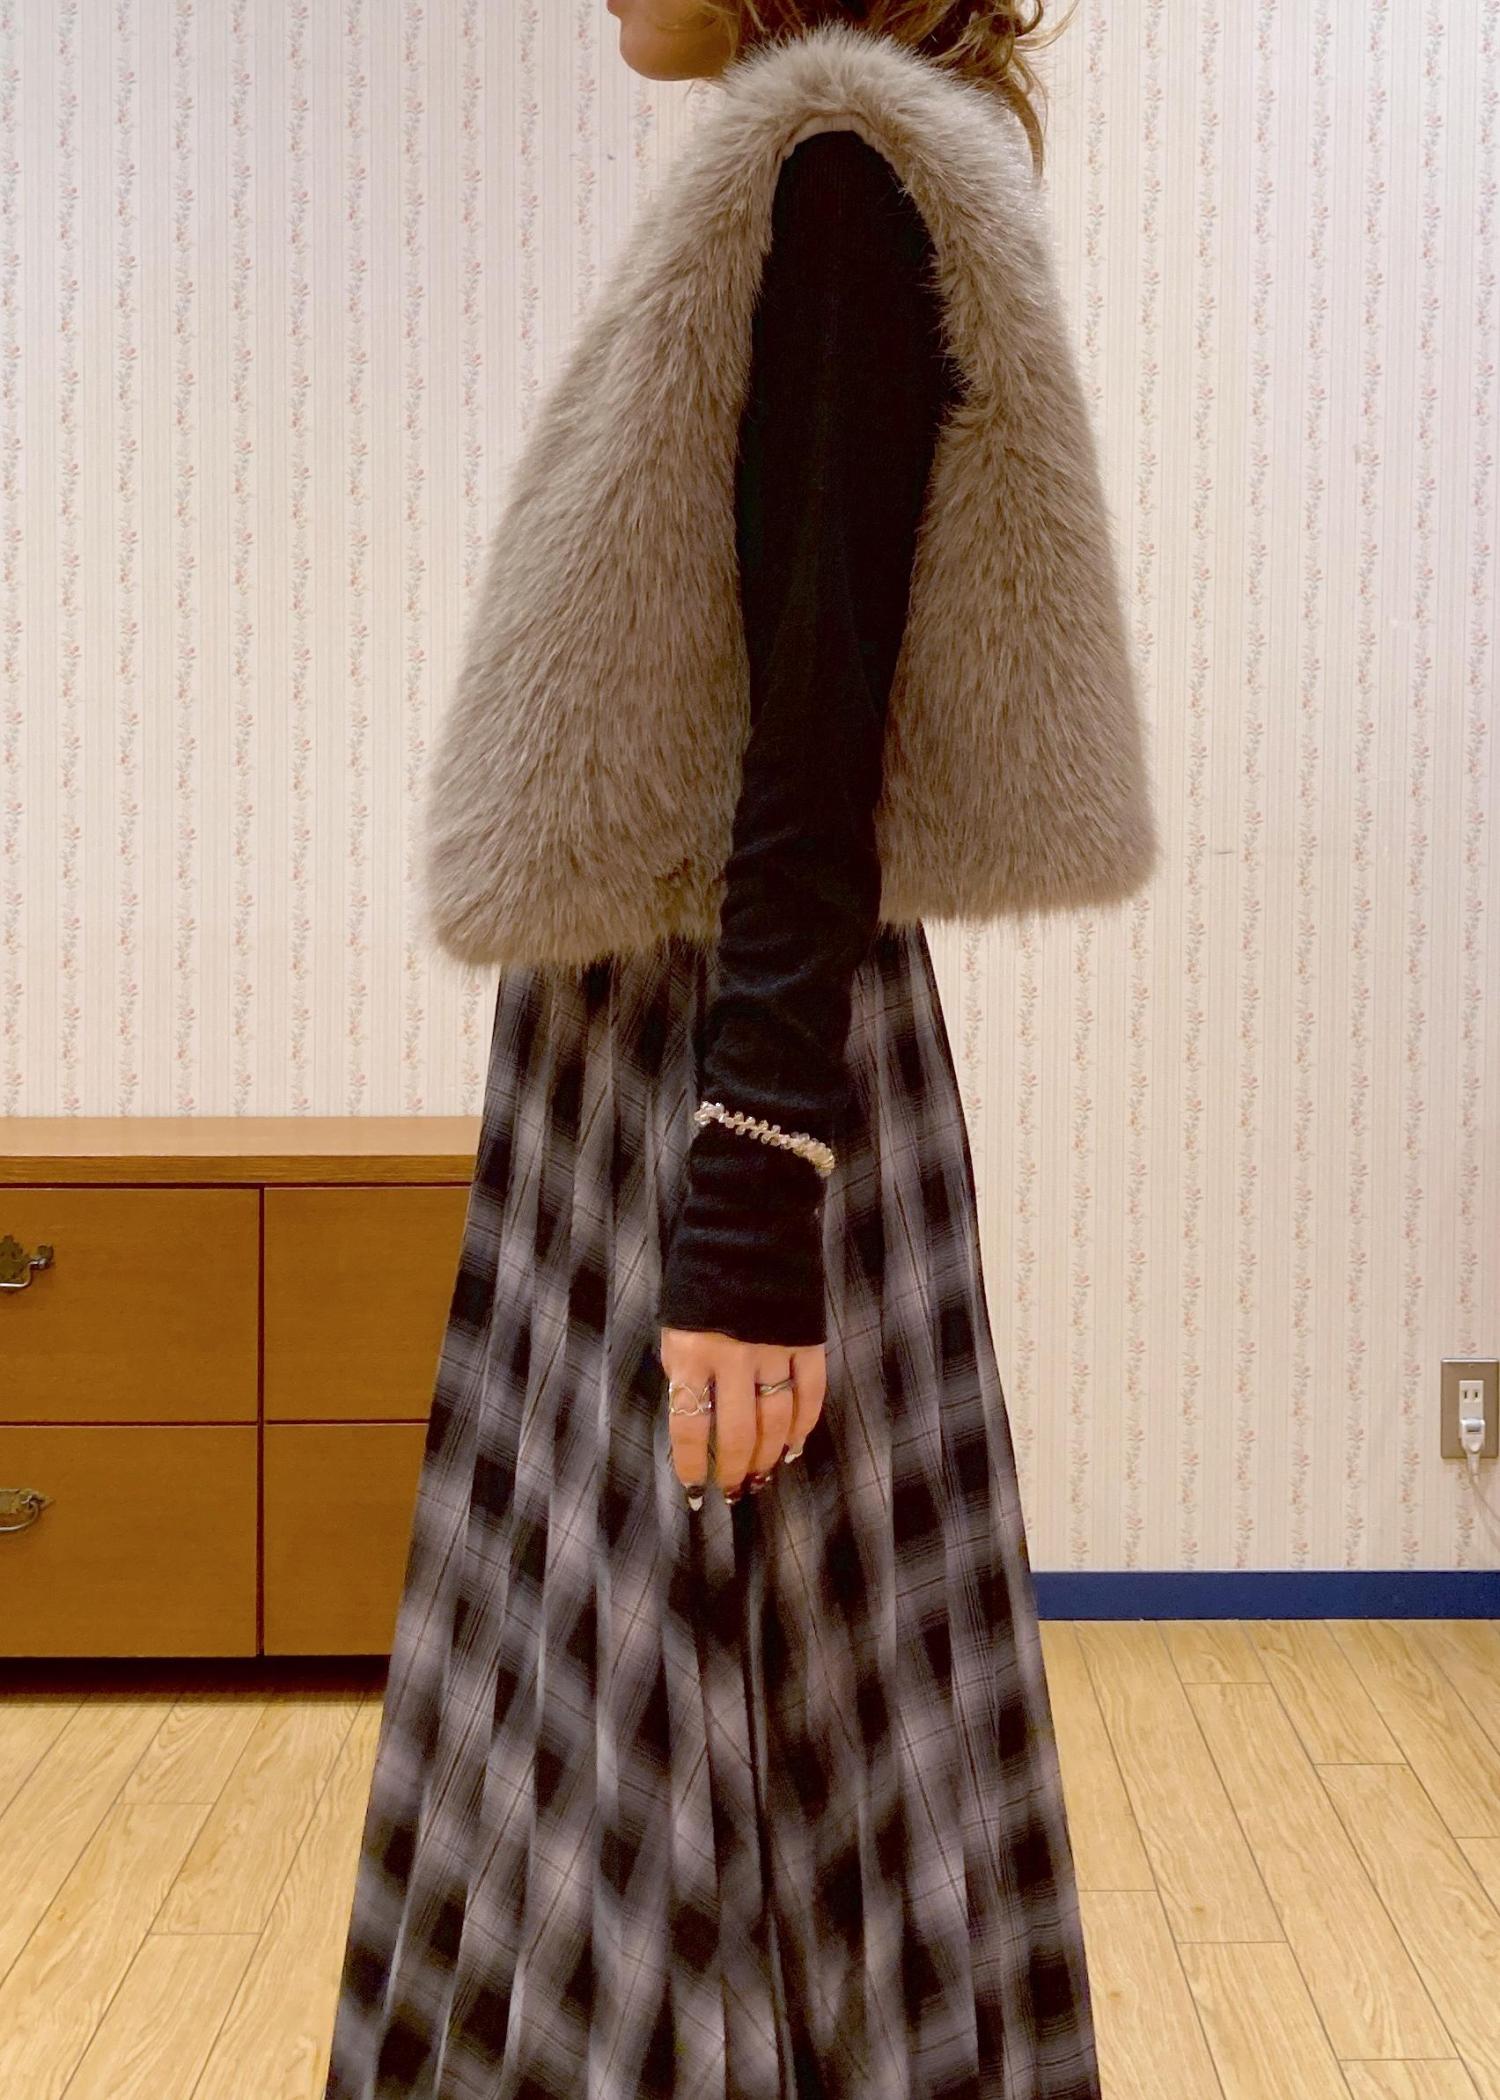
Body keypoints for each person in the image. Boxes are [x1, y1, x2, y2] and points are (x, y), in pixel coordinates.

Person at [324, 5, 1155, 2096]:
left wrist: (757, 1182)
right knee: (736, 1697)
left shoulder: (838, 185)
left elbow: (817, 740)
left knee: (721, 1686)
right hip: (685, 1062)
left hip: (719, 1069)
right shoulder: (815, 180)